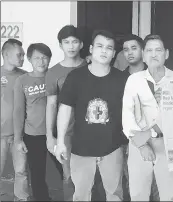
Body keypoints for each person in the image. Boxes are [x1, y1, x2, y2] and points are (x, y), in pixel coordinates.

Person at [54, 29, 129, 201]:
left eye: (109, 48)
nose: (104, 51)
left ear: (114, 54)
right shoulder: (76, 77)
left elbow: (130, 112)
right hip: (81, 148)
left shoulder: (122, 79)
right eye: (100, 46)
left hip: (113, 147)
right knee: (81, 195)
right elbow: (65, 109)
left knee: (115, 194)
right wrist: (60, 142)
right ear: (90, 49)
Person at [122, 34, 173, 201]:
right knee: (138, 194)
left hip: (168, 144)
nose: (154, 54)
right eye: (149, 50)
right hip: (139, 143)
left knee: (169, 195)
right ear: (143, 53)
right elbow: (127, 114)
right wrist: (141, 145)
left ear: (166, 54)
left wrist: (152, 132)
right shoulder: (134, 80)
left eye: (158, 50)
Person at [44, 24, 93, 201]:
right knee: (69, 177)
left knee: (92, 177)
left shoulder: (91, 66)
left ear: (81, 44)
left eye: (74, 42)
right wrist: (50, 136)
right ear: (60, 45)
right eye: (66, 42)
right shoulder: (53, 72)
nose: (71, 46)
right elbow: (51, 105)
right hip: (67, 135)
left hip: (91, 132)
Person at [121, 34, 160, 201]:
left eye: (134, 48)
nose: (130, 52)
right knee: (137, 190)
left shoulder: (169, 77)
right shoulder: (124, 78)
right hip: (134, 140)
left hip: (163, 140)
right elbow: (125, 113)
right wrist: (139, 142)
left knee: (163, 191)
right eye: (125, 49)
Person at [13, 43, 52, 201]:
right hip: (33, 134)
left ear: (49, 59)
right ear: (29, 59)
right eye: (37, 58)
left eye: (44, 57)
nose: (41, 61)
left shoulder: (54, 75)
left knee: (67, 170)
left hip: (56, 134)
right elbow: (19, 110)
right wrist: (18, 139)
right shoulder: (22, 80)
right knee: (37, 173)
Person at [0, 39, 30, 201]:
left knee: (21, 171)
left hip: (19, 135)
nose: (23, 58)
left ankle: (21, 198)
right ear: (6, 54)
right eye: (19, 54)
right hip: (0, 135)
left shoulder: (24, 76)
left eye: (24, 55)